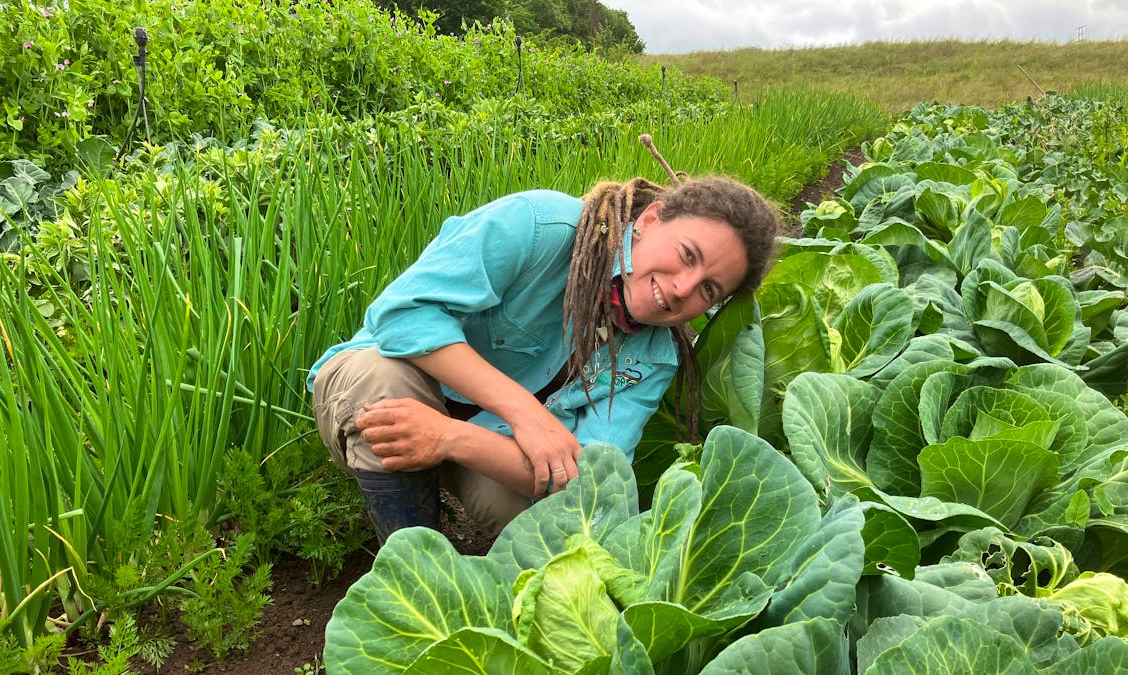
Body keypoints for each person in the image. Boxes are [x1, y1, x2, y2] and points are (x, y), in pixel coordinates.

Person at [308, 170, 779, 542]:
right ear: (650, 220)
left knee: (555, 523)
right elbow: (403, 317)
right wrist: (524, 411)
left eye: (708, 290)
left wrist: (449, 438)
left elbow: (587, 478)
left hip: (480, 440)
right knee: (381, 379)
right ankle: (406, 569)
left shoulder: (653, 357)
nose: (681, 289)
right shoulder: (541, 226)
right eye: (687, 255)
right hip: (390, 380)